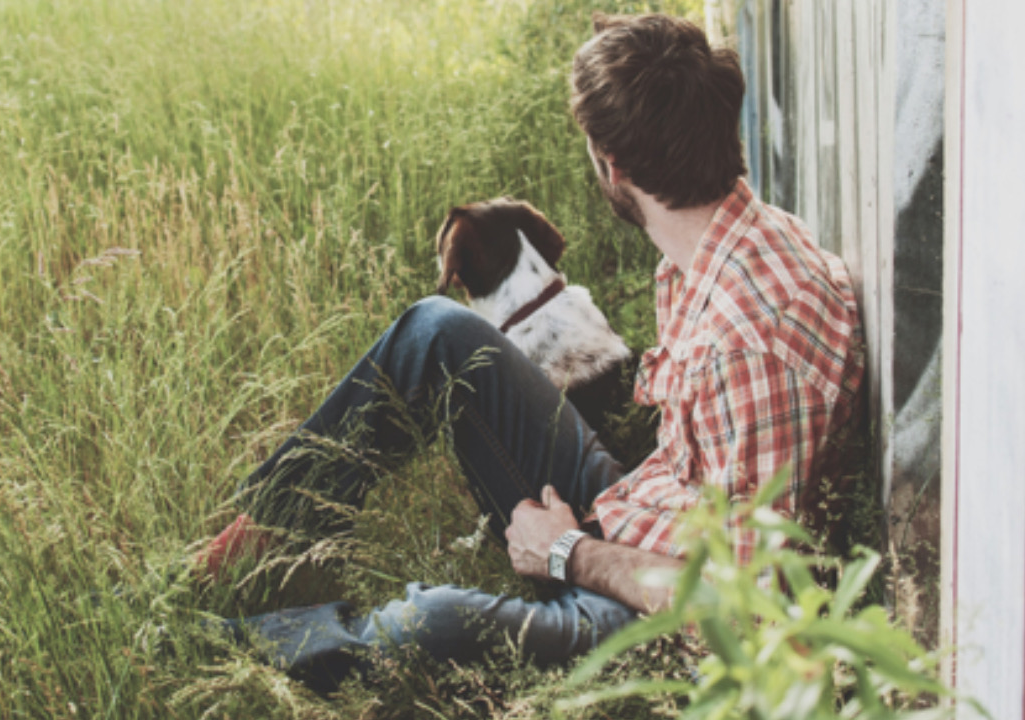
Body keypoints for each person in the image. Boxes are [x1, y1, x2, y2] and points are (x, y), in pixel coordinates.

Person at [195, 12, 864, 691]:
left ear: (613, 166)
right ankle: (256, 543)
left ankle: (205, 649)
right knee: (437, 331)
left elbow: (740, 611)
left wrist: (569, 552)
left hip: (667, 626)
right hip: (654, 523)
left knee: (429, 623)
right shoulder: (729, 243)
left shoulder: (745, 341)